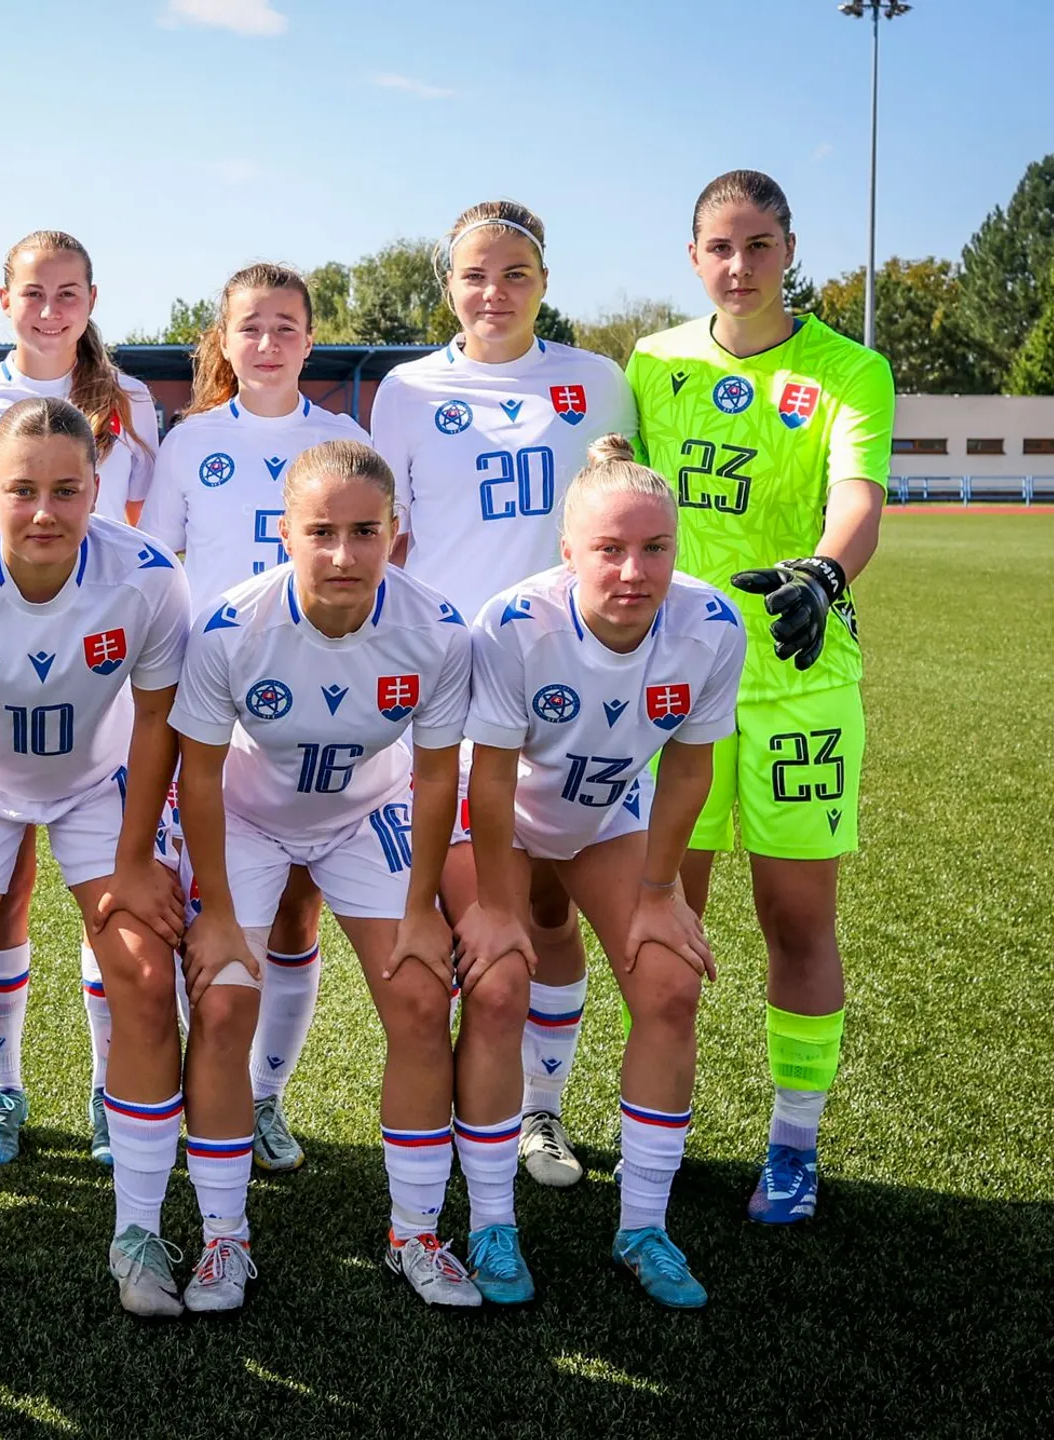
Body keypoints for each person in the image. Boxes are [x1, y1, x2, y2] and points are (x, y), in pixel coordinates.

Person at [626, 170, 893, 1225]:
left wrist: (824, 575)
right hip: (672, 683)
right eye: (720, 247)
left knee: (795, 917)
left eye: (761, 245)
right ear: (692, 256)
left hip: (800, 684)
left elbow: (859, 497)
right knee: (666, 915)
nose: (739, 267)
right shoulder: (651, 363)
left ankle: (793, 1145)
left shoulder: (848, 368)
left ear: (791, 251)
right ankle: (659, 1129)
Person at [0, 396, 190, 1315]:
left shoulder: (148, 576)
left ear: (102, 488)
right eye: (23, 489)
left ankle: (138, 1230)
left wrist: (136, 858)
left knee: (142, 971)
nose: (46, 510)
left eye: (68, 489)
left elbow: (154, 720)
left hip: (99, 781)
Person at [369, 200, 638, 1191]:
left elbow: (615, 518)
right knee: (458, 910)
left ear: (545, 281)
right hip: (444, 682)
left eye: (515, 273)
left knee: (549, 916)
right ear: (449, 283)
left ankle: (539, 1108)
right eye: (475, 273)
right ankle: (455, 1105)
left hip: (562, 685)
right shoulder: (405, 391)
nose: (494, 292)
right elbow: (386, 538)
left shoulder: (595, 384)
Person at [170, 439, 472, 1312]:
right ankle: (224, 1240)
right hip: (250, 817)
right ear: (286, 536)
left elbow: (435, 772)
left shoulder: (436, 629)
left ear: (395, 533)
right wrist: (219, 913)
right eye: (322, 532)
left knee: (422, 995)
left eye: (365, 532)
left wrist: (422, 907)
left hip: (361, 816)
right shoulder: (231, 627)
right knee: (224, 998)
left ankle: (415, 1231)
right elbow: (196, 773)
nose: (344, 555)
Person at [457, 433, 745, 1306]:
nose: (633, 570)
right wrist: (499, 906)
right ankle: (492, 1226)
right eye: (610, 550)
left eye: (655, 547)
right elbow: (494, 777)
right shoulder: (515, 624)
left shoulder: (711, 625)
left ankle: (645, 1227)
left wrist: (659, 894)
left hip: (606, 811)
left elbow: (692, 766)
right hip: (495, 817)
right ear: (569, 551)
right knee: (502, 982)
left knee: (668, 985)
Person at [0, 231, 162, 1169]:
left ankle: (108, 1093)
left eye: (68, 293)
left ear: (91, 298)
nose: (50, 309)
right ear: (3, 298)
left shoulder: (128, 403)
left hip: (94, 691)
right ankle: (3, 1090)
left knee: (117, 916)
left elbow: (130, 539)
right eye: (33, 293)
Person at [138, 261, 369, 1175]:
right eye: (251, 328)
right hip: (209, 698)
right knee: (203, 903)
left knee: (295, 907)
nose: (268, 343)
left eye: (286, 326)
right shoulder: (192, 441)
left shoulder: (344, 435)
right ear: (223, 343)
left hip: (320, 697)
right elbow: (158, 566)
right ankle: (183, 1087)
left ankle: (262, 1096)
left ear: (309, 340)